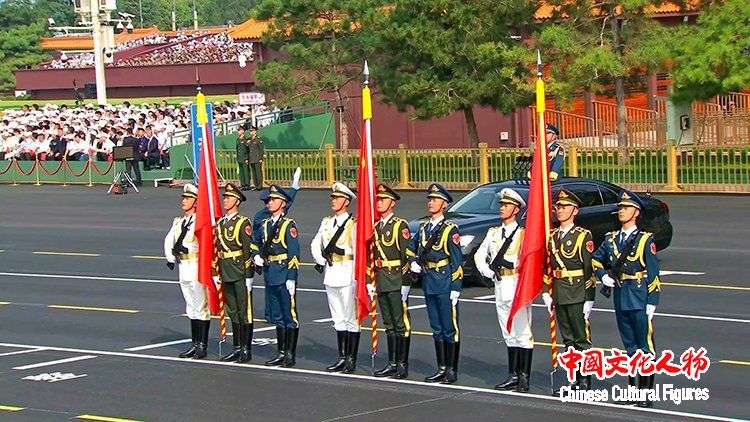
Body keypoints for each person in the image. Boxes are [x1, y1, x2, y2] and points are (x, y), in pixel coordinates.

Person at [593, 191, 660, 407]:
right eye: (620, 208)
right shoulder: (611, 239)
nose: (622, 211)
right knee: (629, 345)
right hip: (621, 294)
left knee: (645, 346)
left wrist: (652, 301)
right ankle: (632, 391)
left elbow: (653, 272)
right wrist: (603, 276)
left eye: (626, 208)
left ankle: (646, 393)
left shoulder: (645, 240)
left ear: (636, 212)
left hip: (639, 294)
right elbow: (596, 259)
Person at [474, 188, 532, 392]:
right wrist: (486, 271)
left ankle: (524, 377)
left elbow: (530, 260)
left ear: (515, 209)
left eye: (506, 205)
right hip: (500, 285)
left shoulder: (523, 234)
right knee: (508, 332)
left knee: (522, 333)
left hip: (517, 285)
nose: (502, 208)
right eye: (501, 204)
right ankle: (513, 375)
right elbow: (479, 255)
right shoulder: (493, 233)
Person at [408, 183, 462, 384]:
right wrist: (413, 262)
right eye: (430, 199)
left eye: (436, 200)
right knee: (436, 327)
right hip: (429, 279)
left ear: (444, 204)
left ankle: (451, 369)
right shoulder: (423, 228)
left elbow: (456, 261)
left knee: (449, 327)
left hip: (445, 280)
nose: (431, 202)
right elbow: (410, 247)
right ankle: (441, 368)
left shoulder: (450, 229)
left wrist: (456, 287)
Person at [542, 189, 595, 392]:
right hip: (559, 291)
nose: (560, 210)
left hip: (577, 291)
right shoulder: (552, 236)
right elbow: (546, 266)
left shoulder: (582, 236)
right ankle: (572, 377)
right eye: (558, 207)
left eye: (565, 207)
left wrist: (589, 298)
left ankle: (585, 379)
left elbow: (589, 269)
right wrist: (546, 291)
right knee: (568, 340)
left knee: (581, 339)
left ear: (575, 211)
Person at [311, 182, 360, 373]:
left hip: (347, 274)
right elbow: (316, 243)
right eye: (333, 197)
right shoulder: (326, 222)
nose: (334, 201)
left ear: (346, 201)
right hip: (331, 273)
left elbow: (358, 250)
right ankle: (342, 357)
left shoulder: (353, 224)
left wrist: (357, 277)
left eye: (338, 198)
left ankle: (351, 359)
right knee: (338, 318)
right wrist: (320, 259)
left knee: (351, 318)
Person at [252, 185, 301, 368]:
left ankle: (290, 354)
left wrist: (291, 277)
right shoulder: (265, 225)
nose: (269, 203)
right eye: (269, 200)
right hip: (270, 272)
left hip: (283, 272)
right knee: (277, 316)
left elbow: (294, 253)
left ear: (283, 203)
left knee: (290, 315)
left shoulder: (289, 225)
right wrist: (256, 255)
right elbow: (255, 242)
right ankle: (281, 352)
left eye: (273, 200)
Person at [164, 184, 210, 359]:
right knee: (190, 307)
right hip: (183, 266)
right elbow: (169, 239)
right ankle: (194, 343)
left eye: (188, 198)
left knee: (200, 306)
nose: (184, 201)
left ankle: (202, 345)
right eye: (183, 198)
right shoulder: (178, 222)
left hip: (196, 264)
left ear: (196, 202)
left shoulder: (200, 222)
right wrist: (170, 257)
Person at [371, 184, 412, 379]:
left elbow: (406, 255)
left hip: (395, 279)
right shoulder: (375, 227)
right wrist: (371, 279)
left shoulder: (399, 225)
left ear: (392, 203)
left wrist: (406, 282)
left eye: (383, 199)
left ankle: (402, 364)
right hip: (381, 279)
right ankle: (392, 362)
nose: (379, 202)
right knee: (388, 323)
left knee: (400, 323)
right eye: (378, 199)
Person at [213, 183, 255, 363]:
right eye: (224, 197)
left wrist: (249, 275)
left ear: (237, 201)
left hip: (239, 271)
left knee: (244, 311)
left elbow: (247, 250)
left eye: (229, 198)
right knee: (232, 310)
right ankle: (237, 347)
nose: (225, 200)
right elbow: (215, 249)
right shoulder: (220, 223)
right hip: (225, 270)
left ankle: (246, 349)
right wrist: (214, 271)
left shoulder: (242, 223)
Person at [247, 125, 265, 191]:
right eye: (250, 131)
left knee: (258, 172)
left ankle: (259, 186)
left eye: (252, 131)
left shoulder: (258, 139)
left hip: (257, 158)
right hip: (252, 158)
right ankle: (256, 185)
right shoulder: (249, 139)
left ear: (255, 131)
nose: (250, 132)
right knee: (254, 173)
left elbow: (261, 149)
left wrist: (260, 158)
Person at [236, 124, 251, 190]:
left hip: (245, 158)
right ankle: (242, 185)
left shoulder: (245, 139)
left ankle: (247, 185)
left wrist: (247, 158)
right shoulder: (238, 139)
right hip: (240, 158)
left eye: (239, 130)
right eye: (238, 130)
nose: (238, 132)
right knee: (241, 172)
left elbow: (248, 149)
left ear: (243, 131)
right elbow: (237, 149)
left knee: (245, 172)